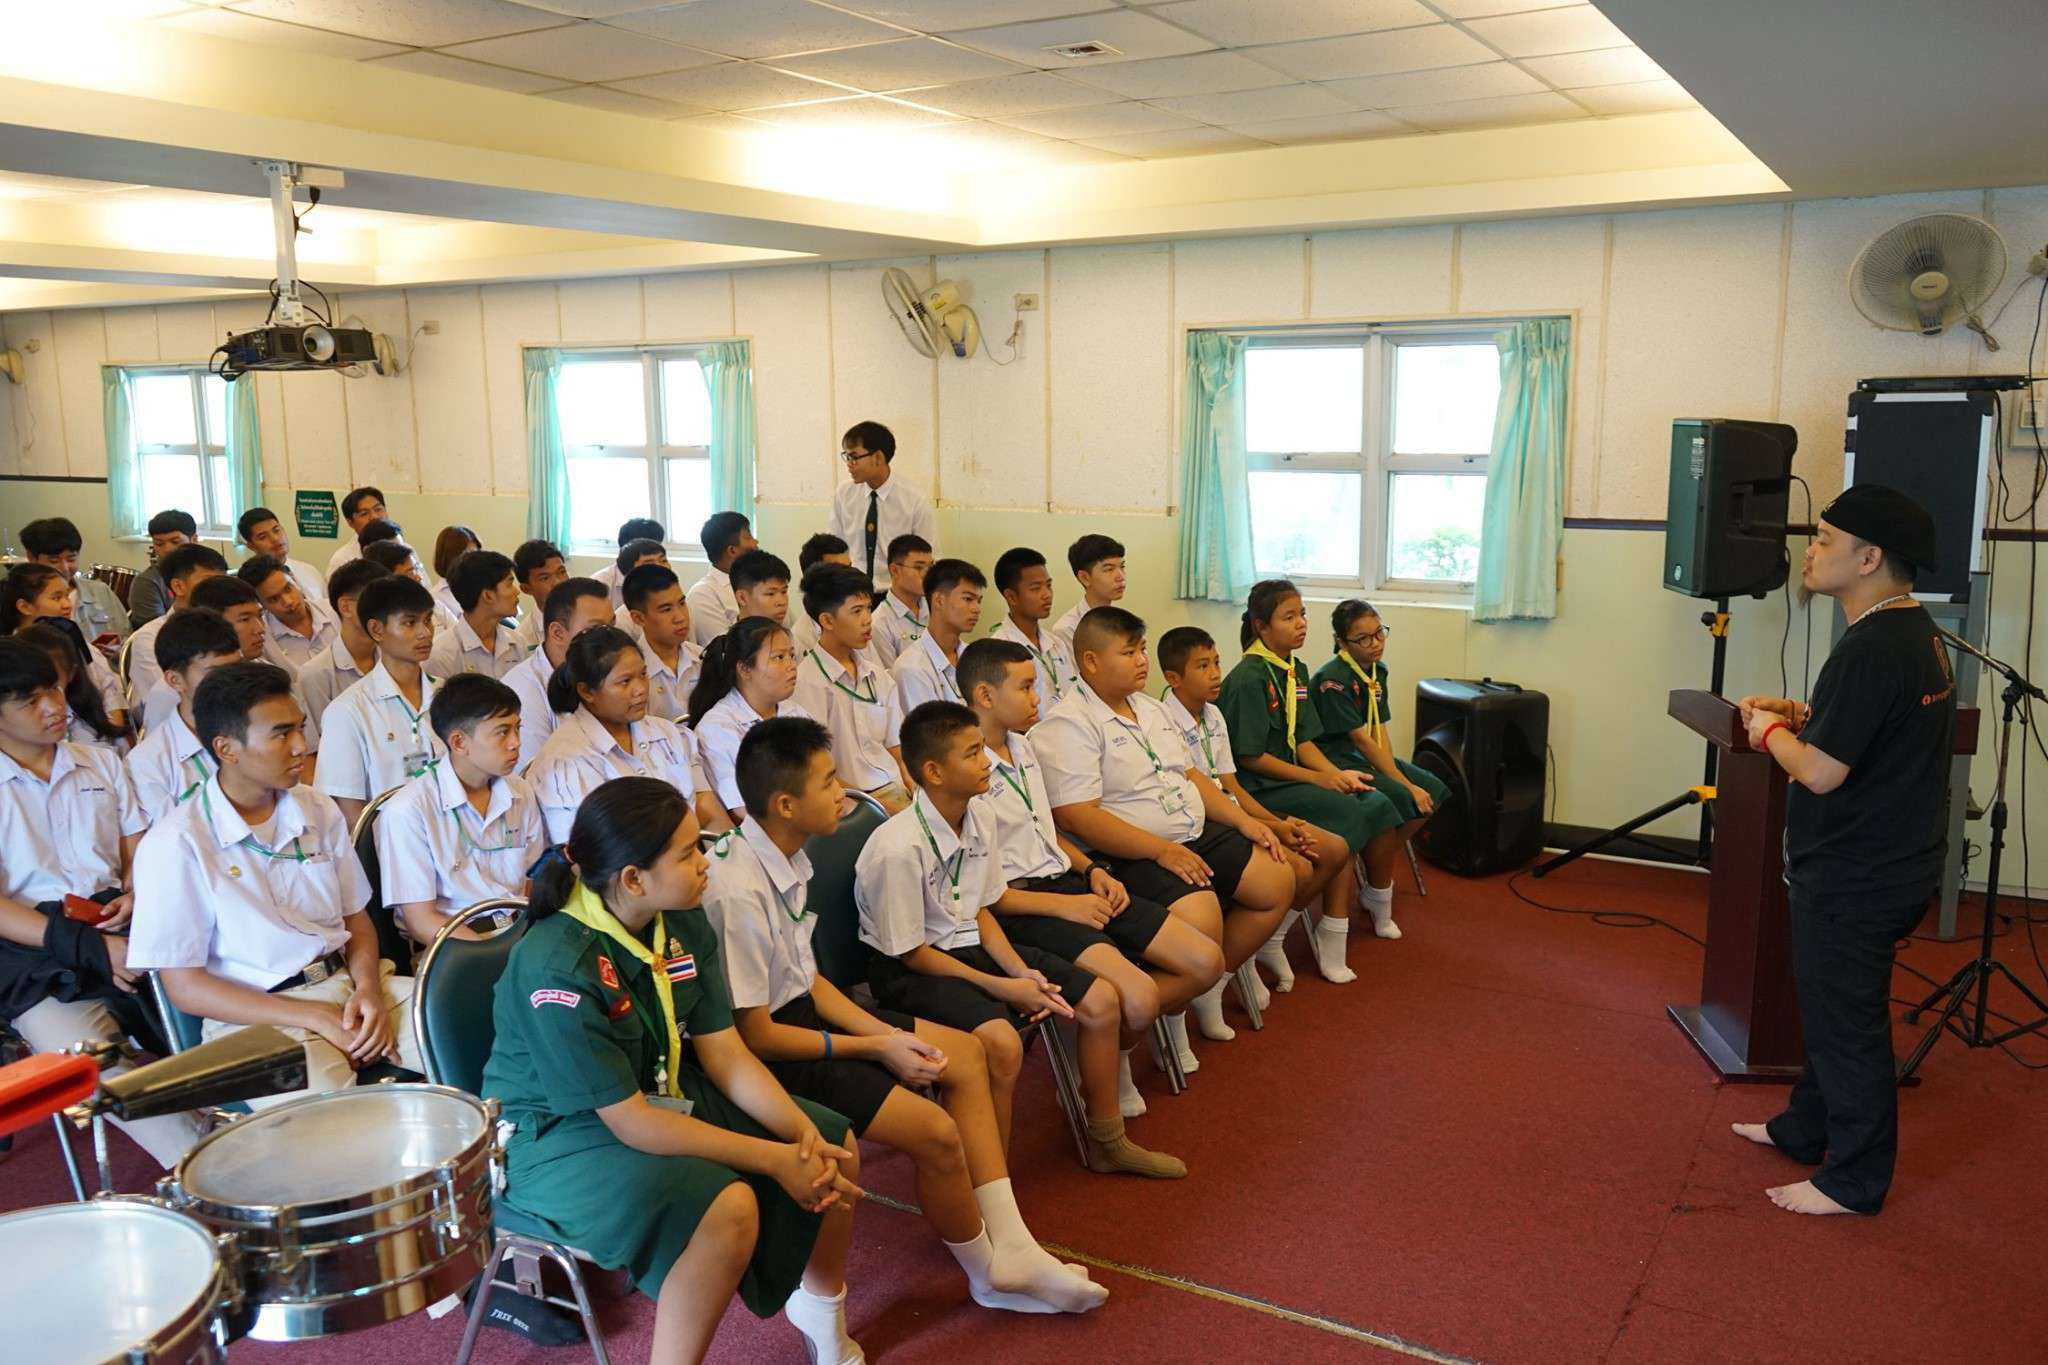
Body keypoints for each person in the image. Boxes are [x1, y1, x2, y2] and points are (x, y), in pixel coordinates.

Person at [706, 717, 1106, 1314]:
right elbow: (757, 1034)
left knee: (965, 1055)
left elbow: (808, 979)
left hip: (806, 1014)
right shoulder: (737, 889)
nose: (843, 790)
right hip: (776, 1050)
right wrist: (878, 1046)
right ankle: (990, 1273)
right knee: (937, 1132)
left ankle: (1011, 1245)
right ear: (786, 804)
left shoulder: (786, 856)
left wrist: (887, 1035)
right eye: (828, 780)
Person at [481, 776, 866, 1365]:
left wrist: (800, 1135)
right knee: (727, 1210)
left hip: (656, 1091)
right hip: (554, 1136)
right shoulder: (557, 965)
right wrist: (774, 1158)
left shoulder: (679, 917)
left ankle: (820, 1316)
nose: (706, 860)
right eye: (688, 853)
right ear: (633, 879)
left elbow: (726, 1054)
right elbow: (632, 1122)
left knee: (834, 1146)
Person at [1731, 485, 1958, 1217]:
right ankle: (1806, 1127)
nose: (1811, 549)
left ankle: (1854, 1180)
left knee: (1847, 1024)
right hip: (1891, 863)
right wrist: (1803, 715)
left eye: (1826, 539)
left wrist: (1769, 732)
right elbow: (1871, 733)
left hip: (1856, 873)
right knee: (1829, 1009)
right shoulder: (1912, 632)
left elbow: (1823, 773)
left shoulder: (1870, 647)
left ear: (1869, 558)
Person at [857, 700, 1182, 1178]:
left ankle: (1107, 1141)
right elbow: (911, 953)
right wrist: (1004, 987)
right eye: (972, 753)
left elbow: (981, 908)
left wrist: (1019, 970)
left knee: (1102, 1002)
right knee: (1002, 1043)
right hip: (913, 967)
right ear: (934, 772)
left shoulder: (978, 815)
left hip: (971, 942)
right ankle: (992, 1184)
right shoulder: (896, 848)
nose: (986, 761)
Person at [126, 661, 427, 1107]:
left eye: (300, 728)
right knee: (340, 1117)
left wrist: (367, 990)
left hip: (348, 988)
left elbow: (356, 921)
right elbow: (185, 987)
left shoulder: (316, 808)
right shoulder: (176, 844)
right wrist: (313, 1016)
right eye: (281, 734)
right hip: (255, 1018)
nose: (302, 746)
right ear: (227, 749)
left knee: (471, 1029)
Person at [961, 638, 1223, 1117]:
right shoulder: (966, 771)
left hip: (1068, 881)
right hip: (1023, 906)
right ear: (984, 696)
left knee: (1205, 962)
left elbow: (1047, 832)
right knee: (1137, 999)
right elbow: (982, 895)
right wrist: (1067, 906)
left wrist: (1093, 869)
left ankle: (1095, 1040)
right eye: (1025, 688)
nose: (1037, 697)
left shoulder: (1023, 746)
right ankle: (1096, 1048)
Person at [1033, 607, 1292, 1061]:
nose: (1142, 661)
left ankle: (1202, 990)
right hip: (1129, 852)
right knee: (1203, 919)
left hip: (1191, 830)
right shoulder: (1068, 724)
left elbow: (1192, 776)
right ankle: (1125, 1041)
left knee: (1278, 878)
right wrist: (1161, 851)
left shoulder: (1151, 708)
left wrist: (1243, 820)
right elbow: (1076, 817)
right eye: (1128, 652)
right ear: (1090, 661)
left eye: (1143, 650)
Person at [0, 639, 206, 1168]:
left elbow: (137, 845)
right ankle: (202, 1159)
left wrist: (136, 892)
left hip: (120, 916)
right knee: (86, 1065)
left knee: (223, 998)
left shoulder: (99, 762)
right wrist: (89, 947)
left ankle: (256, 1110)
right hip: (38, 948)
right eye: (30, 701)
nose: (55, 707)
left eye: (54, 690)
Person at [1222, 580, 1407, 966]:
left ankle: (1347, 914)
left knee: (1374, 801)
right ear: (1261, 626)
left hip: (1290, 777)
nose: (1301, 623)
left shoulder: (1294, 669)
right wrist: (1317, 779)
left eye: (1302, 614)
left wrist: (1336, 774)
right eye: (1289, 617)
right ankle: (1297, 927)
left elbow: (1304, 740)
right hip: (1262, 786)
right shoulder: (1249, 678)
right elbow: (1251, 758)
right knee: (1349, 813)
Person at [1162, 626, 1353, 996]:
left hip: (1234, 814)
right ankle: (1232, 967)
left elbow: (1231, 787)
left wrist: (1273, 822)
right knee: (1297, 867)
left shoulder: (1213, 715)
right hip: (1204, 824)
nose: (1216, 673)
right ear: (1173, 678)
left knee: (1333, 849)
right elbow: (1205, 797)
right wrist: (1267, 827)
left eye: (1217, 662)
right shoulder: (1162, 721)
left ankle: (1265, 940)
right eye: (1203, 666)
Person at [375, 674, 546, 946]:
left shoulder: (520, 792)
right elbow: (421, 921)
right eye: (502, 732)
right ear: (459, 743)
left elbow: (532, 883)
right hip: (454, 946)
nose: (515, 742)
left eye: (518, 728)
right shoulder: (408, 811)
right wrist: (492, 953)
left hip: (519, 932)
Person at [531, 626, 713, 842]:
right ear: (587, 692)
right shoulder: (565, 763)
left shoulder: (668, 733)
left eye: (643, 674)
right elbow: (589, 852)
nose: (641, 689)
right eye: (625, 681)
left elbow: (708, 808)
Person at [1311, 599, 1449, 876]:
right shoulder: (1333, 681)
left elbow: (1378, 730)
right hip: (1333, 758)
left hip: (1358, 753)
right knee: (1404, 796)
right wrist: (1405, 785)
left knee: (1433, 790)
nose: (1375, 643)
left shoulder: (1376, 670)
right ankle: (1377, 870)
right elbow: (1361, 740)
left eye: (1379, 633)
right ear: (1341, 642)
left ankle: (1376, 859)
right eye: (1363, 638)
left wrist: (1394, 770)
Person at [316, 574, 442, 830]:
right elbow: (351, 814)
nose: (425, 633)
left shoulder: (447, 693)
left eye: (428, 620)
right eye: (410, 623)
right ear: (376, 630)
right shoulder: (347, 711)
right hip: (390, 844)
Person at [790, 564, 908, 813]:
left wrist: (916, 789)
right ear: (827, 620)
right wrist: (879, 808)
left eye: (868, 608)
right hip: (851, 800)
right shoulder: (807, 684)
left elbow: (897, 748)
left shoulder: (877, 676)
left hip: (895, 790)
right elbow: (816, 770)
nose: (868, 619)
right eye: (856, 611)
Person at [690, 617, 814, 828]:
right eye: (779, 658)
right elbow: (744, 809)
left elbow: (823, 776)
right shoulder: (717, 728)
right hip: (767, 831)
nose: (792, 666)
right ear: (745, 669)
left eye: (792, 656)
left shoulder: (794, 712)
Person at [125, 609, 239, 820]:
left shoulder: (260, 729)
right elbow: (164, 836)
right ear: (175, 680)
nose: (231, 682)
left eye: (236, 669)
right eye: (214, 673)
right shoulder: (149, 762)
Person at [4, 563, 131, 733]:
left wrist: (111, 734)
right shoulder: (10, 657)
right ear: (25, 607)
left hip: (97, 735)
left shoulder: (80, 644)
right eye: (56, 598)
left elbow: (110, 698)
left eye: (67, 595)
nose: (67, 604)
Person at [506, 577, 615, 771]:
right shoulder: (522, 691)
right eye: (596, 629)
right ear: (557, 633)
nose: (611, 639)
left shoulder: (610, 671)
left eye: (612, 626)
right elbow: (538, 773)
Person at [831, 420, 937, 591]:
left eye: (854, 457)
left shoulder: (914, 500)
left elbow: (927, 559)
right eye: (847, 457)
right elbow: (835, 548)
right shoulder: (844, 494)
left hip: (895, 593)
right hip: (853, 591)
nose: (849, 464)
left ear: (878, 457)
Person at [124, 543, 230, 706]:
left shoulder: (228, 625)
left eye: (223, 583)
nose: (219, 591)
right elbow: (169, 701)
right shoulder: (150, 638)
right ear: (178, 586)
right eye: (209, 582)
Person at [297, 559, 391, 737]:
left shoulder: (395, 658)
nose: (388, 611)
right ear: (346, 607)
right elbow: (321, 743)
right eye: (378, 601)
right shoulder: (316, 675)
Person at [887, 558, 980, 734]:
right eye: (968, 599)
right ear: (938, 601)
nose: (977, 609)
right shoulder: (911, 668)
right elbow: (931, 738)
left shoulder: (973, 656)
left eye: (979, 601)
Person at [18, 623, 132, 753]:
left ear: (70, 673)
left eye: (52, 685)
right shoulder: (23, 729)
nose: (40, 687)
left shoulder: (90, 717)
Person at [991, 547, 1079, 713]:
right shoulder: (998, 649)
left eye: (1049, 585)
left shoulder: (1056, 643)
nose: (1047, 594)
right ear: (1011, 597)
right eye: (1036, 588)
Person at [20, 516, 127, 651]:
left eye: (71, 559)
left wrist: (116, 651)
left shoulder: (100, 591)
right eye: (54, 561)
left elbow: (125, 636)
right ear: (32, 558)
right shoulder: (27, 598)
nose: (64, 568)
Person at [427, 549, 525, 681]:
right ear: (488, 596)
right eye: (509, 584)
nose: (517, 591)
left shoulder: (517, 643)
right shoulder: (441, 655)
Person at [623, 563, 701, 723]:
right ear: (638, 618)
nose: (680, 617)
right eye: (666, 609)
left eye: (682, 603)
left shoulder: (703, 658)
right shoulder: (627, 675)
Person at [238, 552, 339, 670]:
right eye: (274, 599)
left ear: (294, 580)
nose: (288, 602)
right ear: (262, 605)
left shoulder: (336, 610)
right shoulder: (261, 640)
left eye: (288, 589)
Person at [686, 512, 758, 647]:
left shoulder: (760, 582)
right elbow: (723, 650)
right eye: (749, 537)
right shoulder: (703, 594)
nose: (756, 543)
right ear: (732, 550)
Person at [1048, 535, 1126, 659]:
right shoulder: (1067, 629)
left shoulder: (1124, 621)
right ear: (1085, 578)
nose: (1120, 576)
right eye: (1109, 569)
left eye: (1122, 567)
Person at [236, 506, 327, 606]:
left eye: (276, 530)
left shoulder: (310, 570)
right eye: (263, 537)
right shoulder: (250, 585)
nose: (275, 539)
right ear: (251, 546)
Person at [868, 534, 932, 669]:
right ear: (895, 570)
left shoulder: (937, 609)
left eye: (930, 567)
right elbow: (890, 677)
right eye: (919, 568)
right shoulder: (879, 623)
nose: (927, 575)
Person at [128, 509, 196, 628]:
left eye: (175, 542)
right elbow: (155, 630)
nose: (167, 549)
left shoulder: (207, 572)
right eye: (159, 544)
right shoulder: (147, 582)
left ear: (194, 540)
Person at [789, 534, 850, 657]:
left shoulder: (856, 621)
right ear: (812, 577)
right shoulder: (799, 638)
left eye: (849, 568)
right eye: (838, 571)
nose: (849, 576)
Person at [508, 539, 568, 654]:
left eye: (561, 572)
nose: (558, 582)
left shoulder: (587, 616)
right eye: (545, 578)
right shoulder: (523, 637)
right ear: (526, 589)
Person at [590, 517, 665, 608]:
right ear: (627, 550)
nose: (659, 566)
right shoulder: (601, 583)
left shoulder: (663, 579)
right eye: (649, 557)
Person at [327, 486, 392, 575]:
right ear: (350, 523)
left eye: (378, 509)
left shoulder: (403, 547)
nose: (374, 517)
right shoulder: (342, 560)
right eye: (364, 514)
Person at [428, 525, 484, 622]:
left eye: (476, 555)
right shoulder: (435, 598)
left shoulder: (484, 587)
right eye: (467, 555)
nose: (475, 561)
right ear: (449, 558)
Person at [731, 550, 792, 630]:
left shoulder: (788, 623)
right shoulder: (729, 638)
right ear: (742, 598)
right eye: (770, 594)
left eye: (784, 592)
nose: (782, 602)